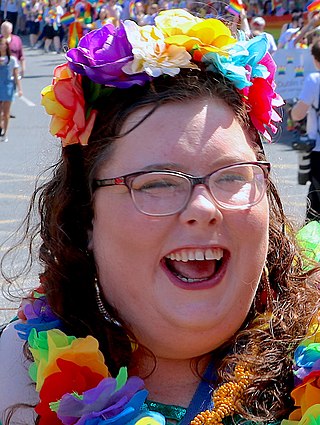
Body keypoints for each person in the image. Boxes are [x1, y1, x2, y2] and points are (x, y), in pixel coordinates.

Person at [0, 8, 319, 425]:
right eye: (156, 183)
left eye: (232, 177)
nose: (204, 208)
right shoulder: (14, 374)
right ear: (86, 217)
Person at [291, 39, 320, 221]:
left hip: (318, 149)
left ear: (315, 58)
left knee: (316, 204)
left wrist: (292, 111)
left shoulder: (314, 80)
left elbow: (298, 114)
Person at [0, 36, 22, 142]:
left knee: (6, 112)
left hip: (8, 86)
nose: (1, 46)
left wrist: (20, 89)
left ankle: (5, 132)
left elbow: (16, 74)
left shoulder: (12, 59)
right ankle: (1, 125)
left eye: (3, 44)